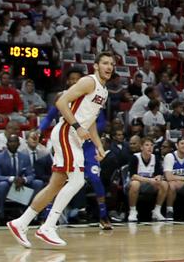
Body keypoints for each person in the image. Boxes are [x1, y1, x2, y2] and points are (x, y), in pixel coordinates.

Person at [7, 51, 114, 247]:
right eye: (105, 63)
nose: (109, 67)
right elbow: (60, 103)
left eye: (112, 64)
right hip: (66, 132)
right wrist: (76, 127)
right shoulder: (88, 82)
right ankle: (48, 226)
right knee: (77, 180)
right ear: (96, 66)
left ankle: (20, 223)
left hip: (75, 137)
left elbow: (90, 122)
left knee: (56, 185)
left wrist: (99, 146)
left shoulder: (104, 92)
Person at [40, 67, 112, 229]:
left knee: (94, 178)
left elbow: (99, 122)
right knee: (59, 179)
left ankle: (103, 215)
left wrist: (95, 140)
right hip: (67, 137)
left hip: (86, 143)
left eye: (77, 79)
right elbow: (50, 117)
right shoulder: (64, 97)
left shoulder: (93, 95)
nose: (74, 82)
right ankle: (48, 218)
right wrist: (39, 131)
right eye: (71, 79)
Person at [0, 134, 44, 224]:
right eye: (11, 142)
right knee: (2, 185)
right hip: (6, 187)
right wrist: (12, 179)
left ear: (19, 144)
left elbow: (31, 175)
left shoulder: (24, 157)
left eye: (15, 142)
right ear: (7, 144)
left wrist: (24, 180)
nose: (13, 144)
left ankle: (29, 215)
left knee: (38, 183)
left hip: (21, 187)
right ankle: (0, 215)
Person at [127, 137, 168, 222]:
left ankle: (157, 210)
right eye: (147, 145)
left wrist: (158, 178)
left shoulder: (155, 158)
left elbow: (159, 174)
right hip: (133, 184)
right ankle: (133, 211)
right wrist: (150, 180)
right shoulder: (135, 157)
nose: (150, 147)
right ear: (141, 147)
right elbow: (133, 176)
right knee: (135, 183)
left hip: (149, 184)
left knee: (164, 184)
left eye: (151, 145)